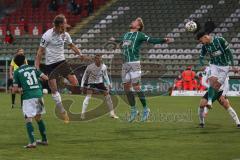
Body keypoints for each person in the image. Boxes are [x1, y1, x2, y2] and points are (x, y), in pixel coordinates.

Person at [111, 17, 172, 122]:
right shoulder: (126, 34)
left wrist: (164, 40)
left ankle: (145, 109)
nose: (132, 21)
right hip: (125, 65)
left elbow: (152, 40)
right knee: (126, 88)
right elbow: (121, 41)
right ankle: (133, 110)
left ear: (138, 26)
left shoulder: (140, 35)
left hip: (134, 63)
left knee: (137, 87)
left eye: (135, 21)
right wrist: (114, 40)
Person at [35, 14, 91, 123]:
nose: (66, 26)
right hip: (50, 64)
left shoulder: (65, 35)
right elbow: (40, 51)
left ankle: (62, 83)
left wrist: (80, 54)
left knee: (75, 83)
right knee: (54, 91)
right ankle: (63, 112)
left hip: (62, 62)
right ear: (59, 25)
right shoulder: (47, 35)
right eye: (64, 24)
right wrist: (36, 67)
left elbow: (71, 46)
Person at [13, 54, 49, 148]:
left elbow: (15, 89)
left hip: (28, 97)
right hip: (38, 95)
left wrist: (20, 90)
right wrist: (38, 81)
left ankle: (32, 142)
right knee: (38, 118)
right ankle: (44, 140)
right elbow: (45, 78)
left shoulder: (17, 72)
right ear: (25, 61)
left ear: (16, 64)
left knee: (28, 119)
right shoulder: (33, 68)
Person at [197, 31, 237, 108]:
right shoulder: (205, 46)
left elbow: (229, 53)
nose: (201, 43)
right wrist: (202, 64)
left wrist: (233, 66)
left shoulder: (220, 40)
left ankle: (212, 99)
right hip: (214, 64)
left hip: (224, 66)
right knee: (212, 80)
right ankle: (209, 101)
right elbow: (201, 57)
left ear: (205, 37)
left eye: (201, 41)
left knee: (217, 86)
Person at [80, 54, 118, 119]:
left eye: (100, 59)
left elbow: (105, 75)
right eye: (97, 59)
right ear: (95, 60)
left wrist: (109, 84)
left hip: (100, 83)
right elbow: (84, 76)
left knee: (108, 96)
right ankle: (82, 114)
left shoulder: (104, 67)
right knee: (88, 97)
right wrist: (82, 85)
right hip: (91, 83)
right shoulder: (90, 67)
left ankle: (112, 114)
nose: (99, 60)